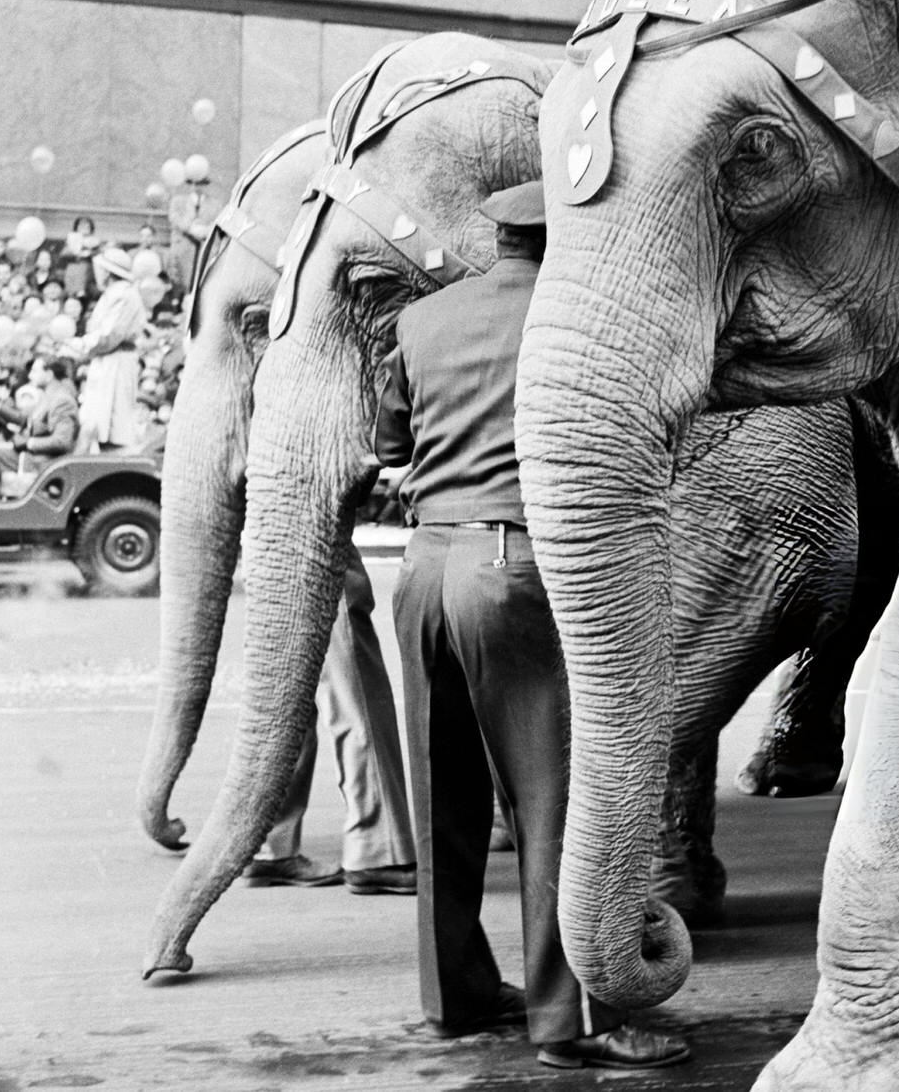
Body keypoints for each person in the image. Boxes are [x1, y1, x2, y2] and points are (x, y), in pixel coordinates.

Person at [373, 180, 689, 1071]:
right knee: (555, 796)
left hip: (424, 564)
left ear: (501, 234)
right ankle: (573, 1021)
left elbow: (392, 446)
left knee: (445, 798)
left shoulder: (424, 320)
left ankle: (458, 995)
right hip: (516, 566)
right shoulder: (574, 314)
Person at [241, 547, 418, 893]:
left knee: (289, 698)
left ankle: (269, 842)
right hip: (314, 538)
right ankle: (378, 849)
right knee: (355, 691)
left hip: (269, 544)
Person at [0, 355, 77, 498]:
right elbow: (25, 419)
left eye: (35, 371)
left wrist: (28, 443)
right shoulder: (50, 395)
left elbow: (62, 441)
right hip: (32, 454)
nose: (30, 376)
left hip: (39, 460)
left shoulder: (61, 400)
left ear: (49, 374)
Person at [75, 247, 147, 450]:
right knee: (96, 423)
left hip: (117, 361)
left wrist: (80, 345)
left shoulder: (124, 294)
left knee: (113, 425)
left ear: (106, 271)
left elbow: (109, 336)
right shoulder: (112, 293)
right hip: (105, 361)